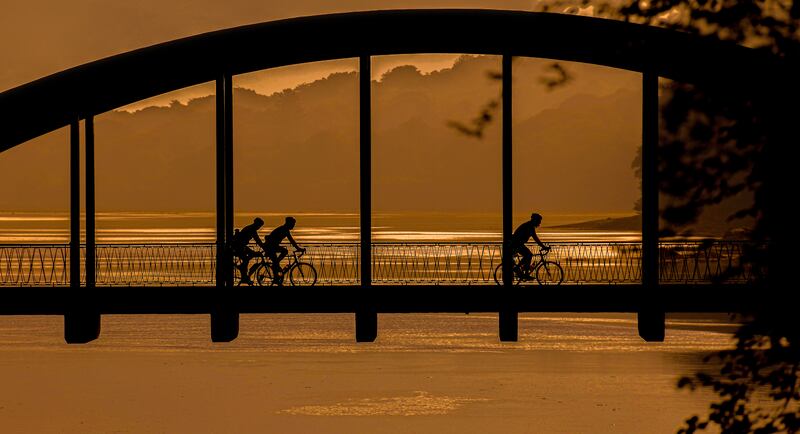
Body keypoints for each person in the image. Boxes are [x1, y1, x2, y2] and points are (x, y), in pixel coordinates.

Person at [263, 216, 305, 285]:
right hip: (270, 247)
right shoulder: (283, 229)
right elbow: (292, 241)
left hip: (272, 246)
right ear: (289, 223)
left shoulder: (285, 229)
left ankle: (276, 266)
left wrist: (298, 248)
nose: (293, 226)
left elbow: (292, 241)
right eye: (293, 224)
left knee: (283, 253)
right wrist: (298, 249)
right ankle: (276, 277)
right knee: (281, 256)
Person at [511, 213, 550, 278]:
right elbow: (536, 239)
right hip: (516, 244)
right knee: (528, 255)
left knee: (528, 255)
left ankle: (523, 271)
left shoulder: (529, 226)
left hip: (518, 243)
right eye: (538, 221)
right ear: (535, 220)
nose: (539, 223)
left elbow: (536, 238)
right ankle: (520, 270)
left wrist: (543, 246)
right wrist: (544, 247)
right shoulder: (529, 227)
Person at [230, 217, 266, 285]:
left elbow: (258, 240)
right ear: (257, 224)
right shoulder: (252, 229)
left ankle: (244, 271)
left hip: (241, 246)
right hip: (239, 246)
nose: (259, 228)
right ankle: (244, 273)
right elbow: (258, 240)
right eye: (259, 226)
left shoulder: (250, 228)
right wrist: (265, 248)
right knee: (247, 259)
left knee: (251, 255)